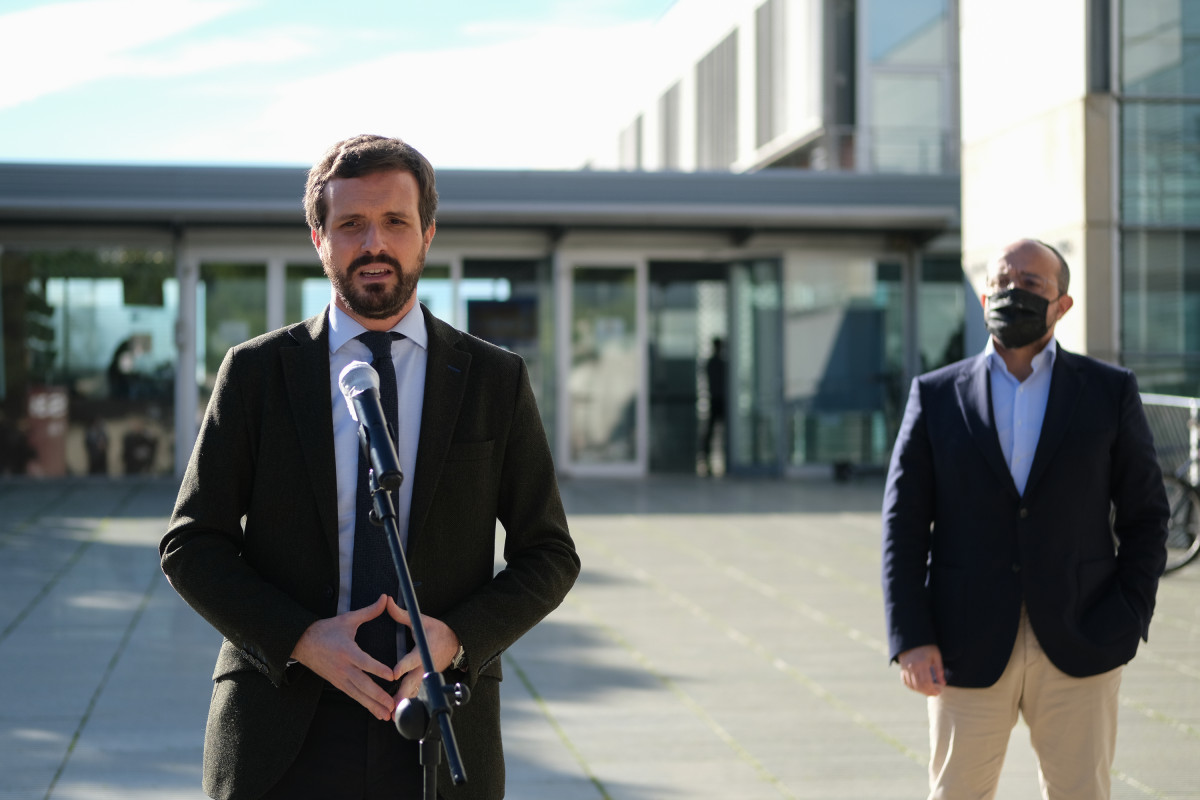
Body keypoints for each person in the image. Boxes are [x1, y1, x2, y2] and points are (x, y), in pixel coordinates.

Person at [160, 134, 580, 800]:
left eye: (394, 223)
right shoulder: (256, 374)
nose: (373, 244)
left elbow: (550, 555)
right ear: (318, 236)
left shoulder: (493, 379)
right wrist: (299, 638)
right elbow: (191, 544)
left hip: (440, 720)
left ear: (428, 233)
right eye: (351, 224)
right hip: (283, 723)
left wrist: (456, 639)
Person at [881, 238, 1168, 800]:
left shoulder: (1109, 392)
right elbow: (903, 526)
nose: (1013, 293)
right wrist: (910, 636)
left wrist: (1130, 614)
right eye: (1003, 282)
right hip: (961, 646)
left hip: (1082, 638)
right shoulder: (935, 396)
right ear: (985, 291)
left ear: (1062, 304)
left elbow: (1147, 515)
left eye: (1031, 285)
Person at [701, 337, 726, 476]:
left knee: (714, 433)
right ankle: (707, 462)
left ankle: (711, 462)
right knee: (711, 433)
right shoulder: (716, 364)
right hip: (717, 400)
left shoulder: (718, 363)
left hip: (719, 401)